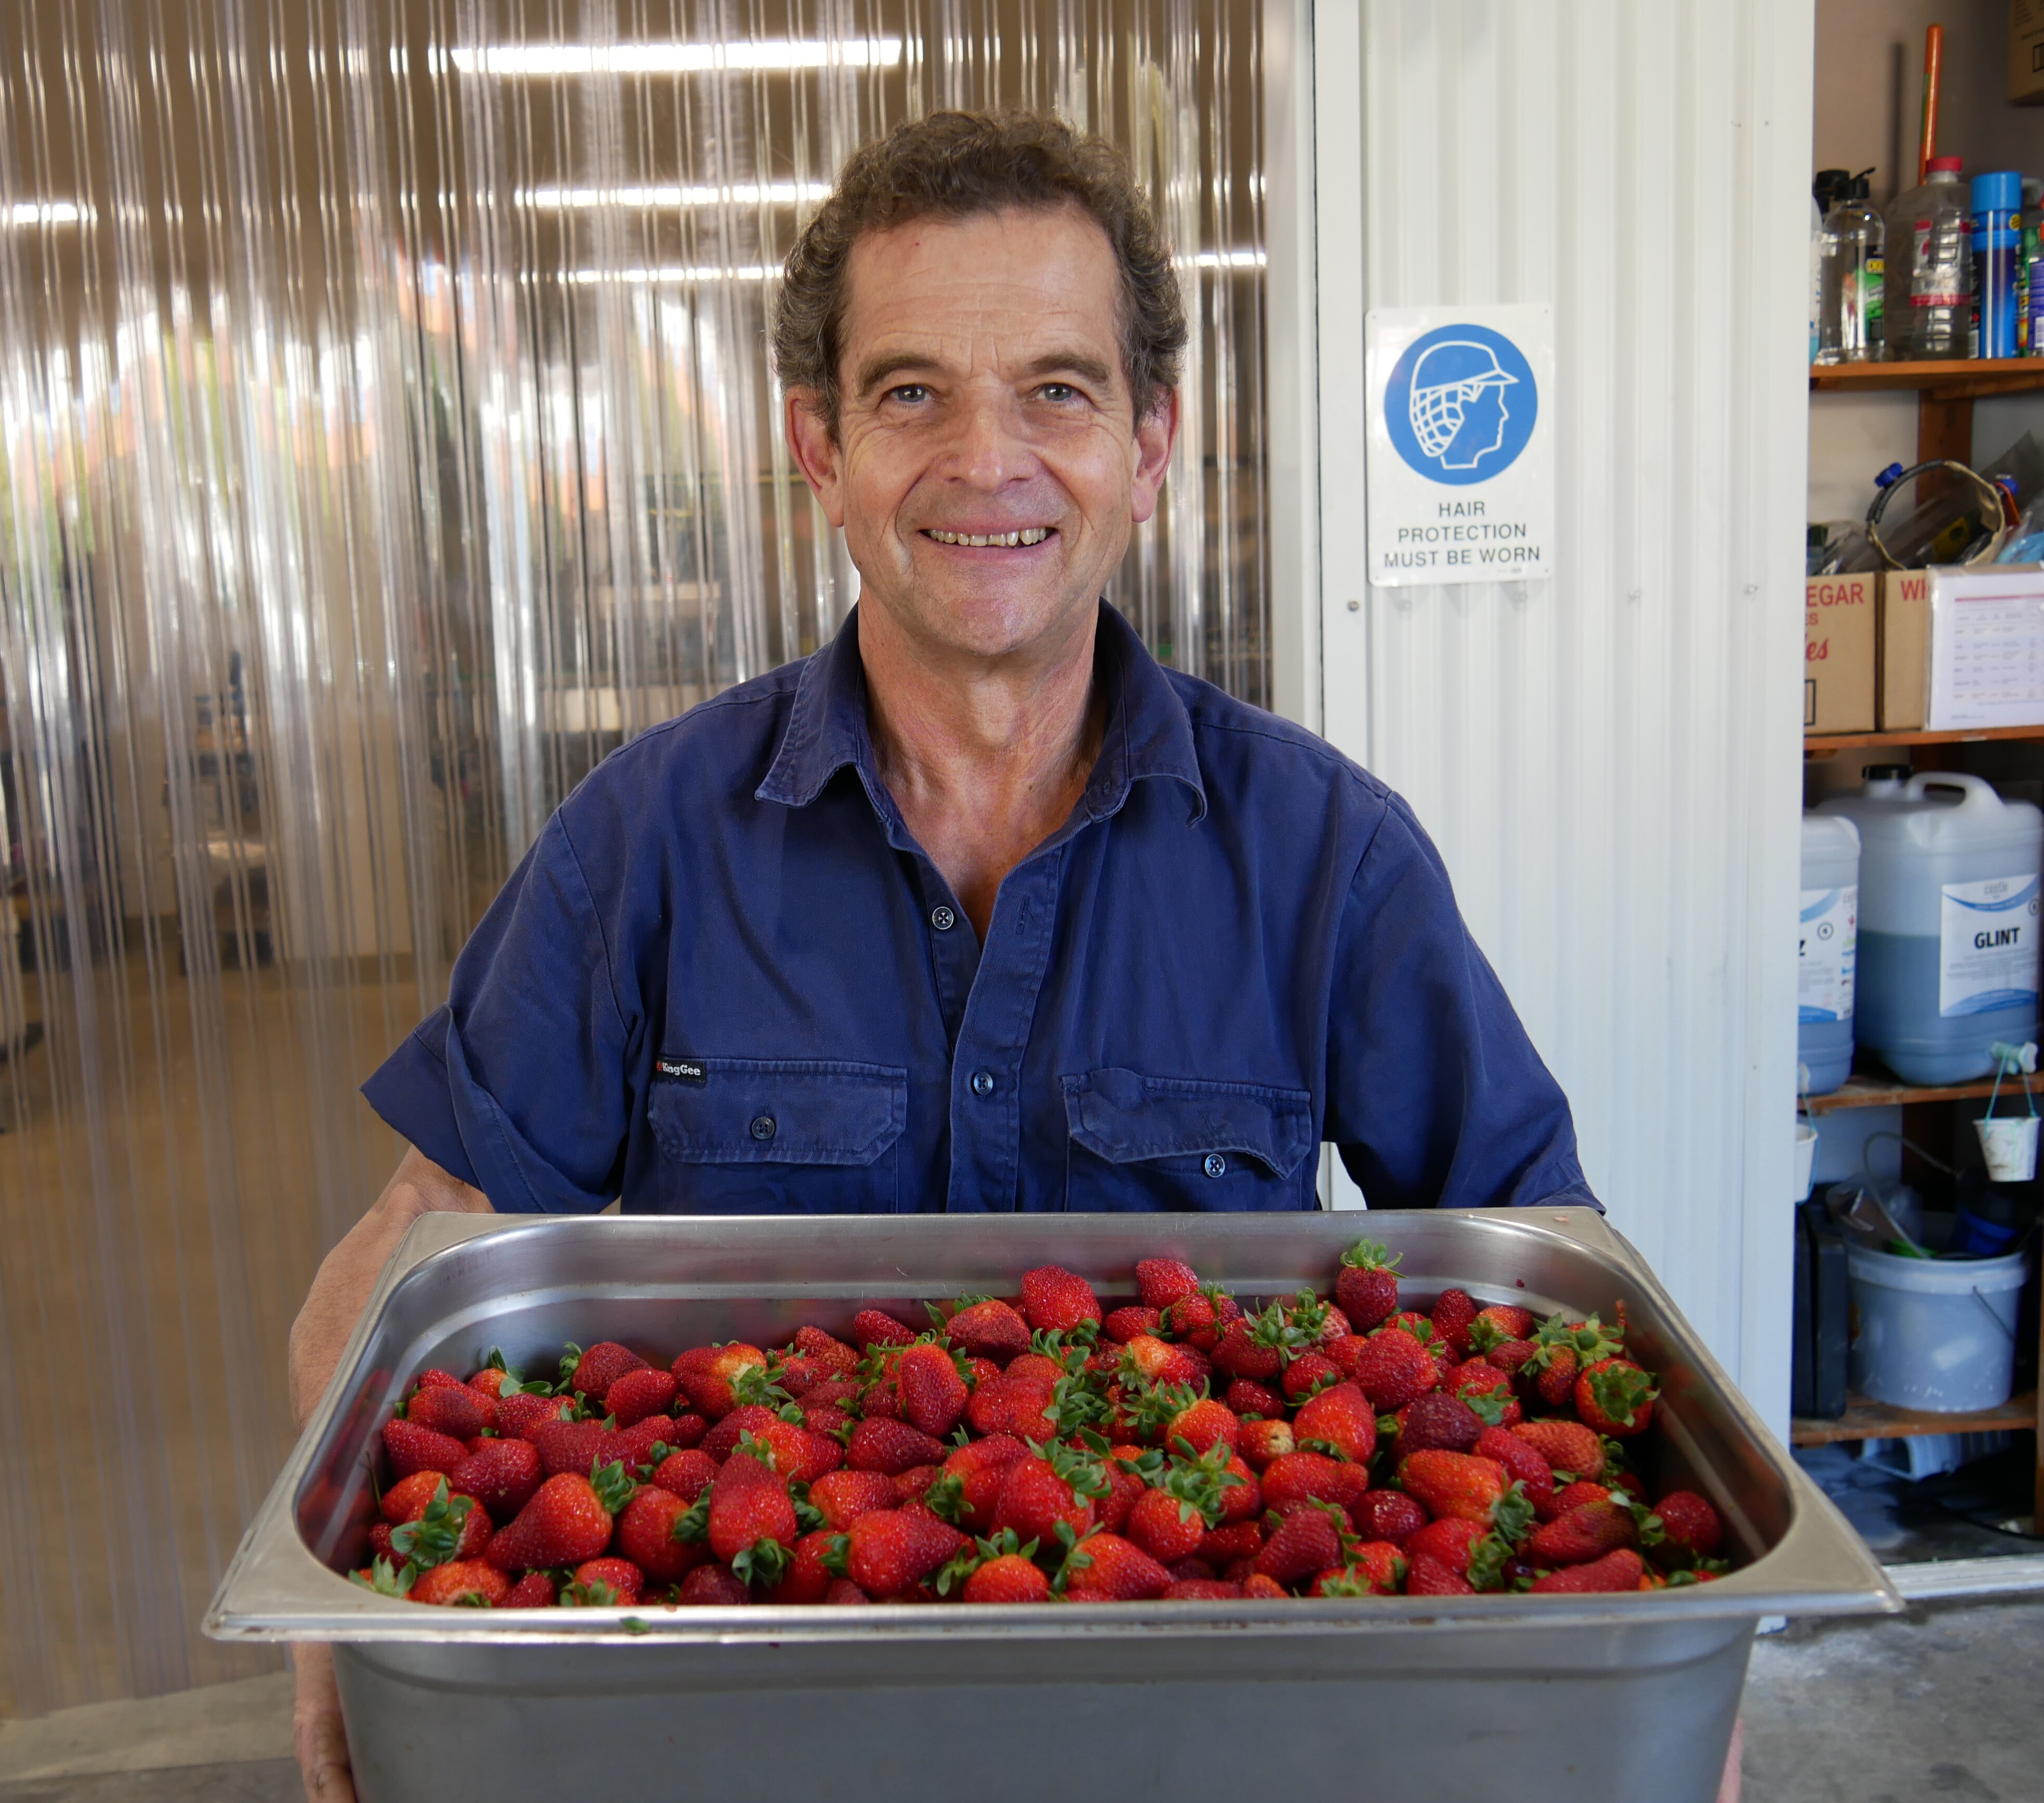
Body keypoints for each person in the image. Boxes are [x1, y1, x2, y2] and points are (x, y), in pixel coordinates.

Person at [287, 108, 1595, 1801]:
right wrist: (333, 1608)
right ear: (819, 449)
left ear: (1150, 445)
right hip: (740, 1743)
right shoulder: (649, 840)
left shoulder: (1327, 857)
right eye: (912, 393)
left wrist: (1652, 1679)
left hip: (1206, 1742)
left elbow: (1548, 1282)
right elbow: (413, 1242)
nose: (989, 461)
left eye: (1057, 389)